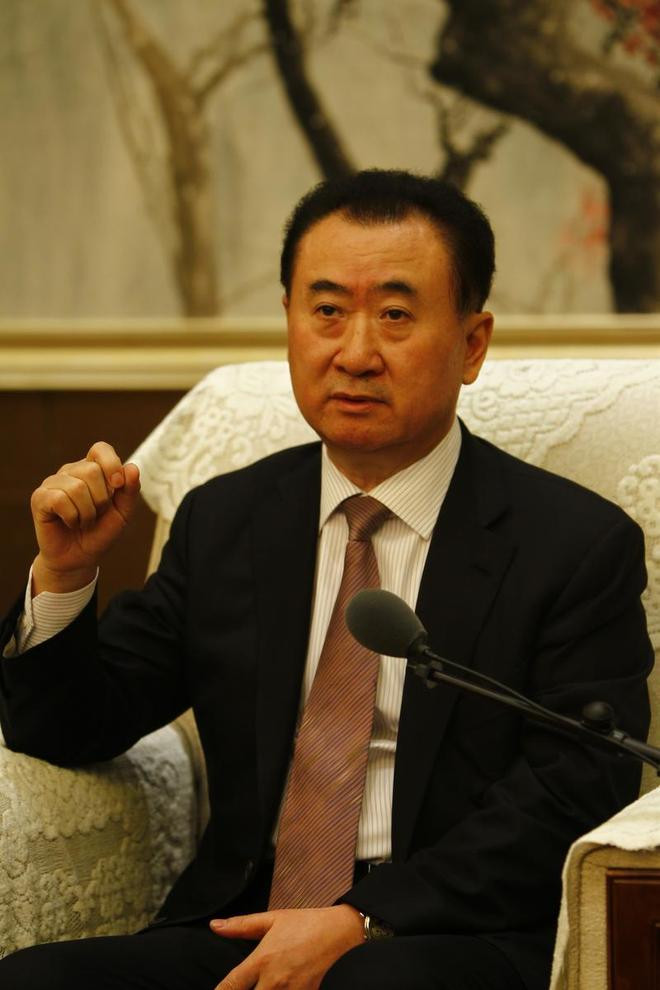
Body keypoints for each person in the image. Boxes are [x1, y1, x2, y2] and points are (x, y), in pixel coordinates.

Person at [0, 170, 652, 990]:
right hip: (245, 920)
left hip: (447, 934)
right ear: (290, 322)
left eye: (396, 315)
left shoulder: (572, 545)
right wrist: (66, 574)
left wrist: (362, 919)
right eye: (328, 311)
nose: (355, 353)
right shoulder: (227, 520)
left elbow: (575, 787)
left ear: (472, 343)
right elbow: (68, 731)